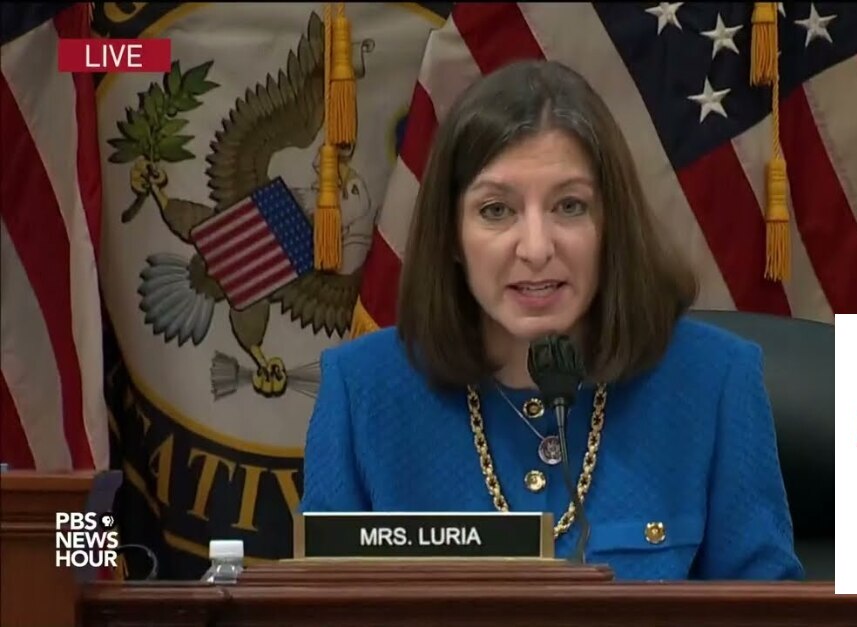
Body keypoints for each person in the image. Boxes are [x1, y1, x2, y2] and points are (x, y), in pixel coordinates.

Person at [300, 59, 804, 582]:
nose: (537, 249)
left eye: (569, 206)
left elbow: (766, 609)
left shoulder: (714, 381)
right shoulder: (362, 390)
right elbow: (319, 608)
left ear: (610, 224)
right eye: (496, 210)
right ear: (451, 236)